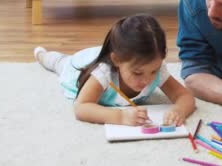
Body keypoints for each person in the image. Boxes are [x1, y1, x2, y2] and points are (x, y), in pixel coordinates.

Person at [34, 15, 195, 126]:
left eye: (154, 71)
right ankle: (42, 54)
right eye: (138, 73)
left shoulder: (154, 67)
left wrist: (179, 110)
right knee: (59, 63)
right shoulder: (103, 73)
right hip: (79, 67)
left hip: (116, 55)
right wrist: (120, 116)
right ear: (116, 60)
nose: (147, 80)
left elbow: (184, 95)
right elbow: (81, 108)